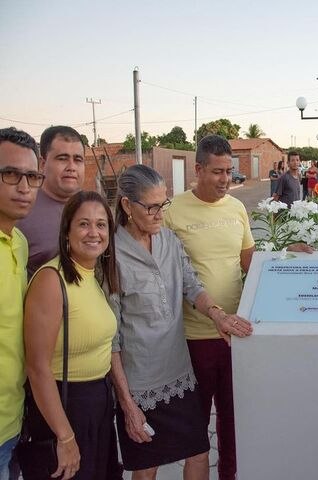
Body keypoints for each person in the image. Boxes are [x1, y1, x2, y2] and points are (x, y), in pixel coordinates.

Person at [108, 164, 252, 479]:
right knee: (147, 467)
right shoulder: (111, 255)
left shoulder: (168, 240)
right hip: (139, 385)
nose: (160, 214)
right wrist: (127, 403)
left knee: (199, 452)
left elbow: (192, 286)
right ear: (127, 206)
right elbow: (113, 340)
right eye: (151, 207)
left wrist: (218, 315)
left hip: (178, 374)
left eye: (164, 204)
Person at [163, 134, 256, 480]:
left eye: (229, 171)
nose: (225, 180)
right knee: (196, 431)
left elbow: (249, 261)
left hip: (236, 337)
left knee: (234, 425)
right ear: (198, 169)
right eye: (217, 172)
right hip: (194, 339)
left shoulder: (237, 208)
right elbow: (171, 277)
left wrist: (286, 261)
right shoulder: (172, 212)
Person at [23, 191, 120, 480]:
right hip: (67, 406)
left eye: (101, 225)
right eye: (84, 224)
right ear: (66, 232)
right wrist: (64, 436)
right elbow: (37, 368)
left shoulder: (94, 276)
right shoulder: (51, 280)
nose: (94, 233)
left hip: (100, 404)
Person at [0, 128, 41, 479]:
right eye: (11, 174)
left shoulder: (19, 242)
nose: (24, 187)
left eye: (32, 176)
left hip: (13, 420)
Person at [17, 125, 85, 278]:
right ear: (42, 164)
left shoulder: (93, 207)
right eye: (63, 158)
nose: (71, 167)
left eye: (78, 159)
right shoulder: (21, 207)